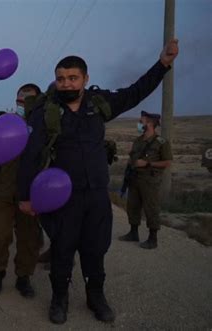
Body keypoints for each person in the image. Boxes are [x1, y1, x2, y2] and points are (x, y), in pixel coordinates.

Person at [17, 40, 179, 324]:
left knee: (95, 250)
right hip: (62, 198)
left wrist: (163, 64)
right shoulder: (47, 112)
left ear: (85, 79)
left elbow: (135, 93)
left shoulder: (99, 103)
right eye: (60, 79)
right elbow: (30, 155)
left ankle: (96, 297)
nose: (66, 84)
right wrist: (25, 196)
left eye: (72, 78)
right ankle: (59, 299)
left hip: (96, 197)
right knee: (63, 250)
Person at [0, 84, 43, 298]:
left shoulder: (42, 126)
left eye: (27, 101)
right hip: (1, 189)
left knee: (29, 239)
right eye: (19, 101)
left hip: (29, 191)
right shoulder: (4, 122)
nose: (21, 105)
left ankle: (23, 277)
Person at [119, 111, 172, 249]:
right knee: (133, 206)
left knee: (151, 208)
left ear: (149, 123)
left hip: (150, 180)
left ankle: (152, 239)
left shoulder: (161, 142)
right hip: (135, 178)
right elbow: (132, 158)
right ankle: (133, 233)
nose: (139, 124)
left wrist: (148, 164)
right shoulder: (138, 141)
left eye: (141, 121)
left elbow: (167, 162)